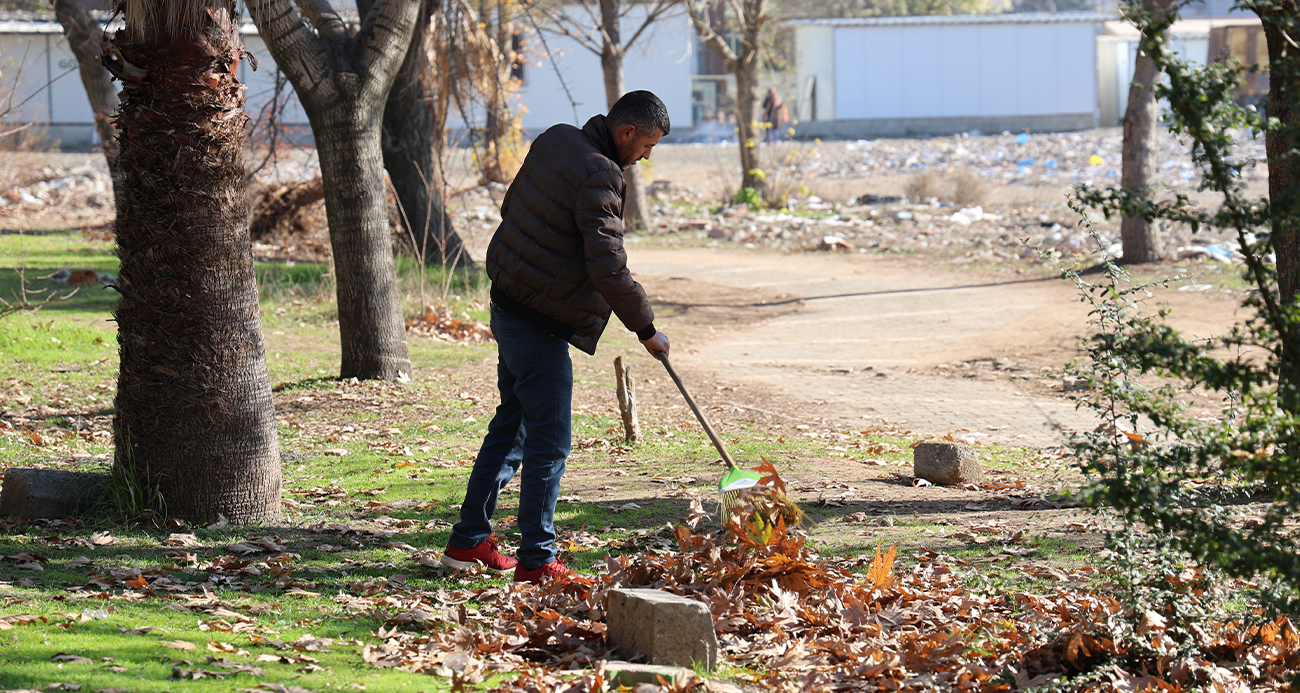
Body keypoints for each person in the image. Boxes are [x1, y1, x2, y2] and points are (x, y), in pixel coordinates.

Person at [439, 91, 672, 584]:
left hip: (509, 305)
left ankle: (467, 542)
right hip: (538, 325)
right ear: (626, 132)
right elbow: (608, 266)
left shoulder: (557, 139)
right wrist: (646, 329)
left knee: (512, 428)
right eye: (647, 145)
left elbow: (518, 208)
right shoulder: (601, 173)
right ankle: (538, 561)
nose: (646, 156)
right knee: (549, 444)